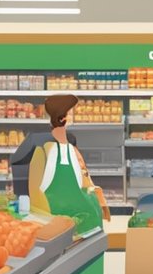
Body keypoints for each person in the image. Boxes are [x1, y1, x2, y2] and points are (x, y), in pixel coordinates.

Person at [27, 94, 109, 234]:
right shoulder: (43, 151)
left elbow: (81, 184)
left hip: (79, 224)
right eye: (71, 113)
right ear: (63, 118)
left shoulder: (71, 150)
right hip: (54, 224)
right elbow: (34, 193)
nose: (74, 116)